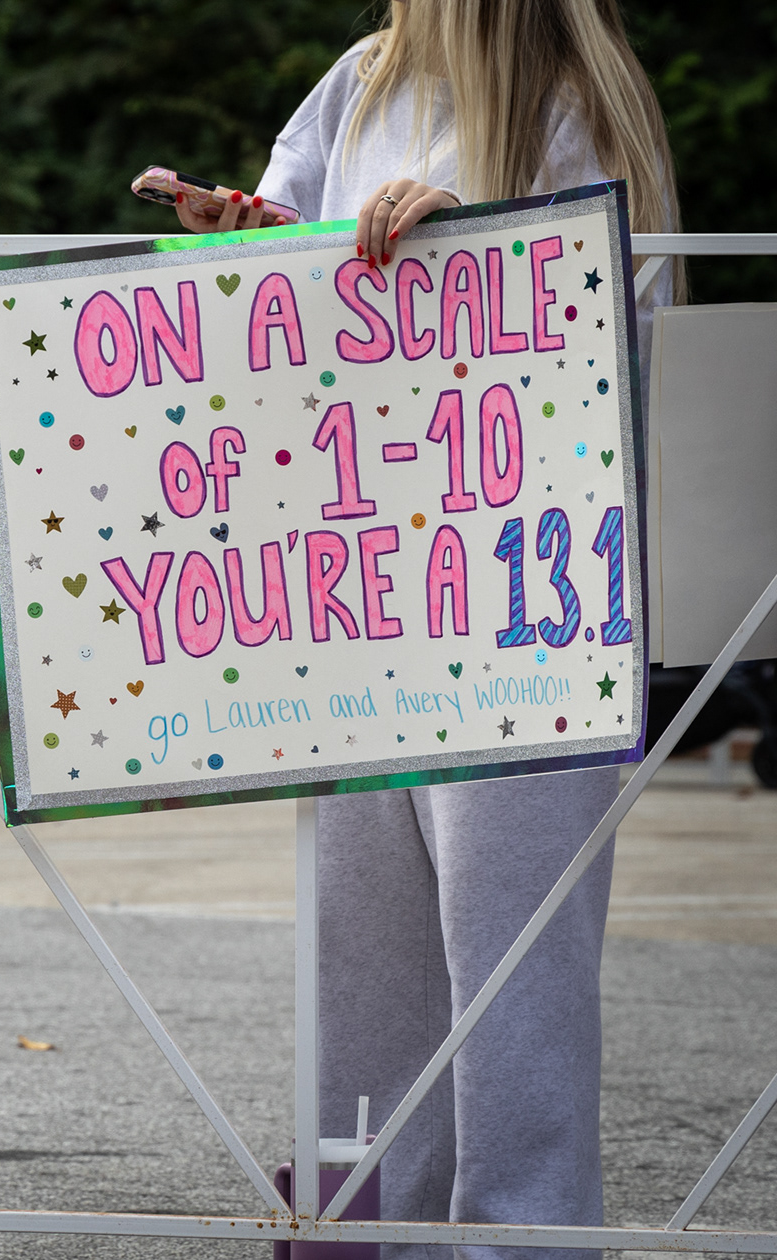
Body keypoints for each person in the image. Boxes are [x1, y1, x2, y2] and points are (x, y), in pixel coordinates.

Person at [177, 2, 679, 1256]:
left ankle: (522, 1239)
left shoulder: (583, 104)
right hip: (364, 590)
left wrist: (486, 257)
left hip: (529, 606)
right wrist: (241, 238)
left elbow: (624, 321)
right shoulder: (359, 80)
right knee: (363, 961)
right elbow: (291, 285)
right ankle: (365, 1231)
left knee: (514, 972)